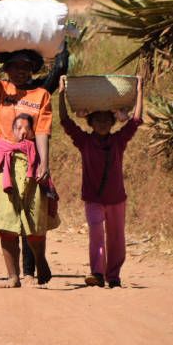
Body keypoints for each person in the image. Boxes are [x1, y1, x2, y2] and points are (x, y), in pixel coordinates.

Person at [0, 40, 68, 278]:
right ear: (7, 70)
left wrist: (45, 163)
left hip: (31, 162)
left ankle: (39, 260)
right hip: (4, 164)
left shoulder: (41, 95)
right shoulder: (0, 90)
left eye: (26, 67)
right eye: (15, 66)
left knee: (34, 223)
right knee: (5, 222)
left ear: (33, 69)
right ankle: (14, 276)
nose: (21, 71)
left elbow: (43, 130)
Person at [58, 75, 144, 288]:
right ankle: (97, 273)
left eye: (107, 120)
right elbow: (65, 122)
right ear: (91, 122)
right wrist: (61, 94)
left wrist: (140, 90)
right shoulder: (84, 141)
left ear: (113, 122)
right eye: (98, 120)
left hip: (116, 199)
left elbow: (135, 120)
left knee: (116, 238)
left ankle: (113, 276)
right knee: (96, 233)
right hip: (93, 199)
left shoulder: (118, 140)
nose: (103, 123)